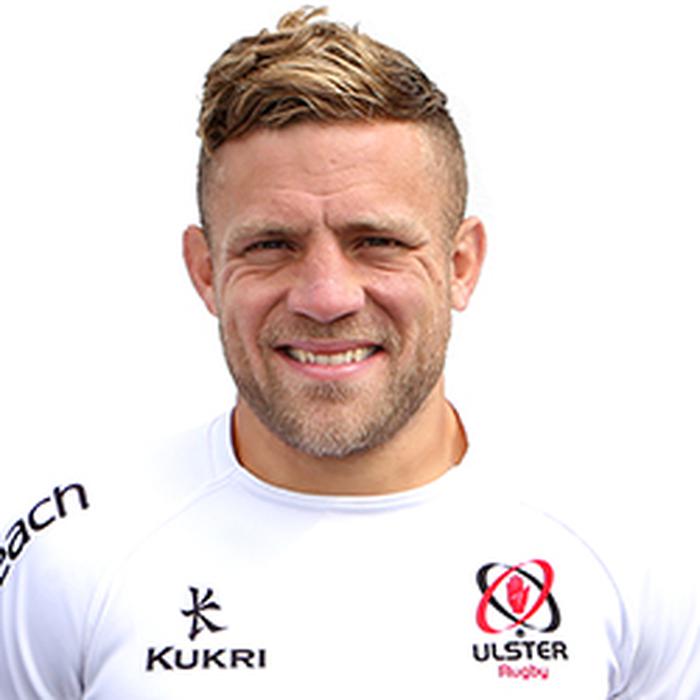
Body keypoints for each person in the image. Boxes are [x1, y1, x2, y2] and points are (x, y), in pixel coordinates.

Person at [1, 7, 698, 698]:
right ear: (206, 271)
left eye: (378, 242)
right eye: (271, 245)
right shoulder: (72, 556)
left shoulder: (625, 552)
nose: (326, 297)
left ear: (461, 265)